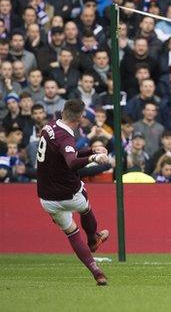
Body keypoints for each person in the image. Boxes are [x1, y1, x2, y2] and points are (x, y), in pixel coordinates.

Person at [35, 99, 110, 285]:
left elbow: (68, 152)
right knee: (84, 205)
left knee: (72, 232)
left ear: (63, 112)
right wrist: (93, 157)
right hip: (69, 193)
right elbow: (71, 161)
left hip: (46, 198)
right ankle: (93, 239)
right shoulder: (66, 137)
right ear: (80, 118)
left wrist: (91, 148)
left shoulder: (49, 126)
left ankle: (97, 272)